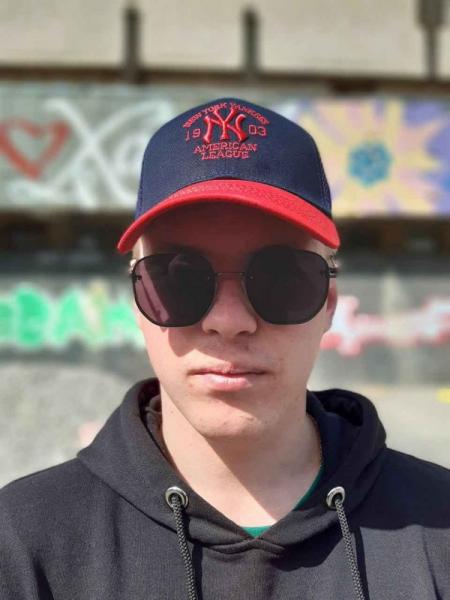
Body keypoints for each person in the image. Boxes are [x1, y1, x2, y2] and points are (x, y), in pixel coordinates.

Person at [1, 97, 449, 600]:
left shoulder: (440, 527)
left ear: (328, 304)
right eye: (178, 278)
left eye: (282, 277)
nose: (229, 321)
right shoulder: (23, 543)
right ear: (138, 302)